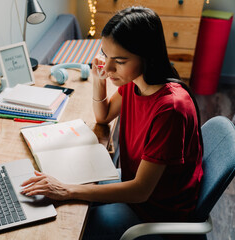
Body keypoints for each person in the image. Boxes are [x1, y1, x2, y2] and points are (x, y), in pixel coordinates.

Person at [21, 6, 203, 240]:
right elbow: (104, 116)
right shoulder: (135, 80)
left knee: (74, 221)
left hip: (155, 212)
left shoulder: (171, 108)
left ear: (147, 57)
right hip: (133, 186)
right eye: (106, 56)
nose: (108, 67)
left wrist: (68, 190)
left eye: (119, 60)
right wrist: (99, 81)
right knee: (59, 199)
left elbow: (140, 191)